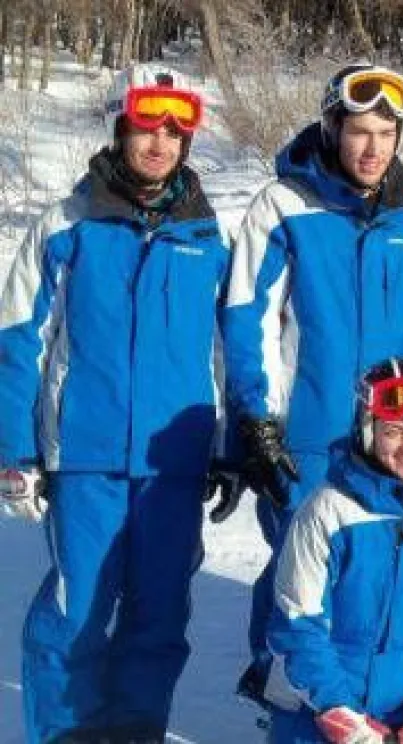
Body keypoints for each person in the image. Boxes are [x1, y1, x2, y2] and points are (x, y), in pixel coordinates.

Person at [0, 64, 227, 743]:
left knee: (159, 615)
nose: (158, 142)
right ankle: (65, 733)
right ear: (120, 126)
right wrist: (15, 449)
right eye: (145, 127)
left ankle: (134, 730)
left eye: (173, 130)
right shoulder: (65, 227)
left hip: (172, 468)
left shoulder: (209, 237)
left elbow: (233, 353)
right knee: (76, 614)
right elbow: (17, 343)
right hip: (87, 458)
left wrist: (232, 448)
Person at [222, 62, 403, 702]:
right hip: (310, 438)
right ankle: (283, 704)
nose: (373, 148)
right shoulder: (284, 205)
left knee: (374, 579)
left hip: (394, 440)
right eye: (359, 131)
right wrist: (257, 419)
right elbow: (246, 318)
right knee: (300, 582)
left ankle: (364, 709)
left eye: (386, 132)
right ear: (332, 127)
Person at [264, 358, 403, 743]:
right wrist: (342, 717)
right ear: (368, 429)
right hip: (320, 710)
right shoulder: (328, 512)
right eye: (394, 431)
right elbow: (298, 626)